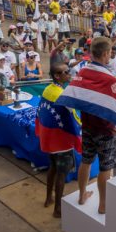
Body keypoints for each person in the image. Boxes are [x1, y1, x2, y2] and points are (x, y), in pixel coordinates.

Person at [57, 37, 116, 215]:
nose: (110, 57)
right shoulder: (110, 79)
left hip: (87, 127)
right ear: (105, 53)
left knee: (86, 161)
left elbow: (70, 98)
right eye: (109, 54)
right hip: (106, 130)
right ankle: (103, 204)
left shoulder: (81, 73)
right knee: (106, 167)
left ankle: (82, 195)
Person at [35, 63, 81, 218]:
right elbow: (74, 118)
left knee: (52, 168)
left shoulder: (48, 89)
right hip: (61, 142)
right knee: (61, 175)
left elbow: (40, 111)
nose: (69, 74)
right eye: (66, 72)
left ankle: (49, 198)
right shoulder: (63, 95)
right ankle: (58, 209)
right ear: (57, 76)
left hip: (49, 140)